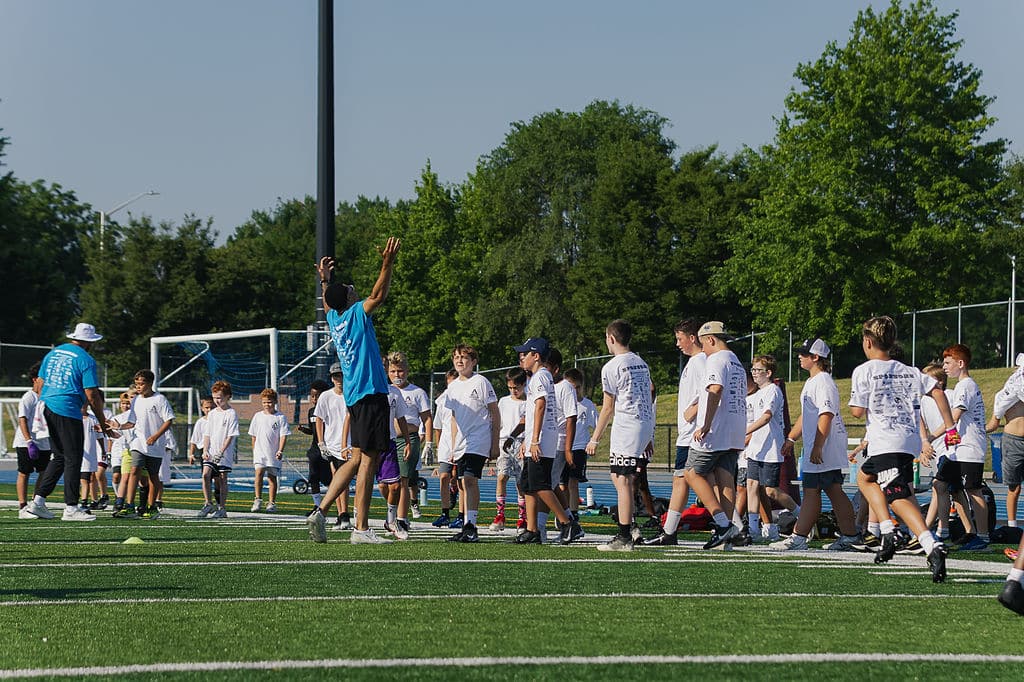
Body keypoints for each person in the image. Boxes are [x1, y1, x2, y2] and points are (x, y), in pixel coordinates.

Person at [307, 238, 401, 544]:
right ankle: (361, 528)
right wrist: (387, 263)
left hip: (354, 397)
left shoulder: (334, 317)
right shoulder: (356, 313)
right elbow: (379, 295)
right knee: (368, 462)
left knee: (356, 458)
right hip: (371, 393)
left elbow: (327, 302)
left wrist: (325, 280)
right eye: (349, 288)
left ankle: (321, 510)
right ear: (348, 299)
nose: (353, 288)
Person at [850, 315, 957, 583]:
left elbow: (857, 411)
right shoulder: (910, 370)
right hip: (907, 441)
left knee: (897, 497)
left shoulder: (864, 370)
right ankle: (888, 530)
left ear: (868, 341)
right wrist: (950, 426)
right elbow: (938, 392)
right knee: (865, 478)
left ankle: (930, 544)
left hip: (886, 440)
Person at [23, 323, 115, 522]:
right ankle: (71, 507)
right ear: (89, 342)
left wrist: (44, 403)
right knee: (73, 458)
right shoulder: (86, 359)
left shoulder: (53, 353)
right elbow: (92, 394)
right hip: (67, 409)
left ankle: (37, 502)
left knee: (59, 457)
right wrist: (103, 421)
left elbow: (40, 383)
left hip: (48, 406)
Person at [774, 340, 858, 551]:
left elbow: (826, 414)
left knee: (816, 490)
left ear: (816, 357)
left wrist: (818, 446)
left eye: (804, 354)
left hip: (824, 447)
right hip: (820, 446)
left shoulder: (823, 381)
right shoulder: (813, 381)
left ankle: (800, 537)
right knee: (830, 490)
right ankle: (849, 536)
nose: (799, 357)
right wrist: (791, 438)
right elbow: (807, 414)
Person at [585, 320, 655, 552]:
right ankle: (630, 524)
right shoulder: (641, 363)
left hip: (627, 425)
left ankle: (625, 535)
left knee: (623, 480)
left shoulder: (612, 366)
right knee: (618, 477)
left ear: (611, 339)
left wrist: (595, 438)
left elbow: (607, 407)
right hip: (642, 423)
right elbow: (647, 396)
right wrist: (648, 434)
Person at [684, 321, 746, 549]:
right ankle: (728, 533)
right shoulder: (736, 361)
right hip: (735, 429)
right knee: (725, 478)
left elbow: (715, 389)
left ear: (710, 339)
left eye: (703, 344)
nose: (703, 350)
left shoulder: (716, 359)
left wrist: (706, 424)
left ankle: (722, 524)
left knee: (691, 472)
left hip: (717, 429)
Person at [517, 337, 583, 545]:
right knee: (528, 485)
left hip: (543, 439)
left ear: (536, 356)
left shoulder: (540, 377)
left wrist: (535, 439)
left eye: (525, 354)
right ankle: (532, 529)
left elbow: (541, 405)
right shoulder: (540, 377)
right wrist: (527, 439)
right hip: (538, 438)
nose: (522, 358)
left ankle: (568, 524)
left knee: (541, 485)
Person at [646, 319, 706, 546]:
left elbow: (711, 392)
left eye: (680, 339)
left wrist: (693, 412)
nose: (677, 344)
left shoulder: (700, 362)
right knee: (700, 482)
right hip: (688, 433)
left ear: (692, 338)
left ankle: (670, 531)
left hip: (693, 435)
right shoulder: (694, 362)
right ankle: (731, 526)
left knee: (686, 481)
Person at [935, 344, 990, 551]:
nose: (944, 367)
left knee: (973, 490)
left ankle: (983, 537)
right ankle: (949, 531)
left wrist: (930, 437)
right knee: (942, 484)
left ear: (960, 363)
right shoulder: (962, 385)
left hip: (969, 448)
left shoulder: (965, 385)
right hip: (958, 449)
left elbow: (954, 417)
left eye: (947, 362)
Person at [445, 344, 500, 543]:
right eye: (456, 357)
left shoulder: (481, 382)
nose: (459, 360)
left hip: (478, 439)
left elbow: (494, 412)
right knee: (461, 482)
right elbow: (453, 418)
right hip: (461, 442)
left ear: (473, 362)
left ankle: (471, 526)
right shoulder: (452, 386)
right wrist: (453, 446)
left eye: (464, 357)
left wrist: (495, 443)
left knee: (469, 480)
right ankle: (466, 524)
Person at [114, 370, 175, 519]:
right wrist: (119, 426)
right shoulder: (136, 400)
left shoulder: (159, 399)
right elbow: (131, 422)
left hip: (155, 445)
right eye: (137, 384)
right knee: (134, 470)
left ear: (150, 383)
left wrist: (155, 436)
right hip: (138, 443)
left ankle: (151, 506)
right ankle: (129, 506)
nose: (138, 387)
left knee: (153, 476)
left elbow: (169, 420)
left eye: (141, 384)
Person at [387, 351, 434, 524]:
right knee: (387, 483)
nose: (397, 375)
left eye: (400, 371)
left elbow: (427, 418)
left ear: (406, 371)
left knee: (403, 480)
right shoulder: (386, 390)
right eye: (393, 371)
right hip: (388, 440)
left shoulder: (417, 392)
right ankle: (393, 513)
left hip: (409, 439)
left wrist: (428, 443)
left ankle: (401, 519)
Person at [987, 353, 1024, 529]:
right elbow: (993, 423)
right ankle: (1012, 526)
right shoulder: (1006, 394)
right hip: (1013, 440)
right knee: (1014, 487)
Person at [314, 364, 352, 529]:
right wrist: (321, 442)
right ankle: (342, 515)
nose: (339, 379)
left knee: (344, 481)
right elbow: (319, 419)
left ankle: (345, 514)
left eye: (341, 375)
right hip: (332, 444)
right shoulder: (326, 396)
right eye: (336, 376)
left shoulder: (352, 394)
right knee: (336, 479)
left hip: (350, 444)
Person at [491, 367, 527, 533]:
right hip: (504, 442)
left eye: (516, 388)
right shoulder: (504, 401)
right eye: (510, 388)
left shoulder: (528, 402)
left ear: (524, 385)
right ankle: (500, 515)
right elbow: (498, 423)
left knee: (521, 482)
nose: (513, 391)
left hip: (520, 442)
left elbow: (526, 423)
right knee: (502, 476)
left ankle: (522, 517)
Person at [15, 362, 51, 517]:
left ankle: (36, 503)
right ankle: (22, 506)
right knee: (24, 472)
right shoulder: (28, 397)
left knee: (44, 473)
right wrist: (29, 441)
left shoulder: (47, 398)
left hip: (44, 441)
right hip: (26, 442)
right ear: (35, 379)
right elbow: (22, 419)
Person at [199, 380, 239, 519]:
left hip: (224, 453)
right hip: (211, 452)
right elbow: (207, 434)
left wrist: (221, 451)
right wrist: (205, 450)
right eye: (215, 397)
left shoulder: (231, 413)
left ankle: (222, 508)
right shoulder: (212, 414)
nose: (217, 400)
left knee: (222, 479)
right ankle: (208, 503)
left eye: (220, 398)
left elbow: (230, 435)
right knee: (205, 475)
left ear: (227, 396)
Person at [249, 388, 290, 513]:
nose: (267, 405)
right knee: (259, 474)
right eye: (264, 402)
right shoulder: (257, 416)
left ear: (275, 401)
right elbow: (253, 436)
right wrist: (255, 450)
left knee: (272, 478)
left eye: (269, 402)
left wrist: (280, 450)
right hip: (260, 452)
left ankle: (271, 503)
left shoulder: (280, 417)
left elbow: (283, 436)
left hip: (273, 453)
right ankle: (258, 499)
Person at [563, 368, 596, 522]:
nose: (574, 391)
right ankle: (564, 511)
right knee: (561, 484)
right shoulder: (561, 402)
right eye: (571, 388)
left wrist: (593, 441)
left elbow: (597, 425)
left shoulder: (587, 405)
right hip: (563, 447)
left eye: (577, 387)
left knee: (573, 482)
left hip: (579, 448)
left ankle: (573, 513)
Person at [297, 380, 332, 510]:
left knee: (330, 479)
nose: (314, 399)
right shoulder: (311, 411)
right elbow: (313, 431)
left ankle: (335, 506)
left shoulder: (330, 410)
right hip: (316, 449)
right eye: (312, 396)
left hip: (329, 448)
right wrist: (303, 429)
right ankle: (317, 505)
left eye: (317, 395)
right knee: (313, 477)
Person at [431, 369, 460, 528]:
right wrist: (437, 447)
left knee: (460, 479)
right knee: (444, 477)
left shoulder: (463, 399)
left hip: (461, 444)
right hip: (446, 445)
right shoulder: (441, 401)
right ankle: (445, 513)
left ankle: (462, 515)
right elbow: (438, 426)